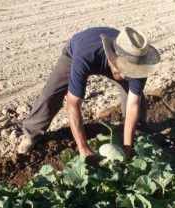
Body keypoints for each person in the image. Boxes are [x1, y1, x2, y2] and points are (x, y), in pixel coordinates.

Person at [17, 26, 160, 159]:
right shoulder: (85, 56)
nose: (125, 76)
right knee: (52, 93)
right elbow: (73, 104)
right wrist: (83, 148)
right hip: (76, 50)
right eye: (123, 69)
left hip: (115, 57)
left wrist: (127, 148)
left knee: (134, 97)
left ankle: (138, 135)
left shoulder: (138, 65)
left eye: (130, 70)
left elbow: (133, 105)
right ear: (113, 58)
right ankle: (31, 133)